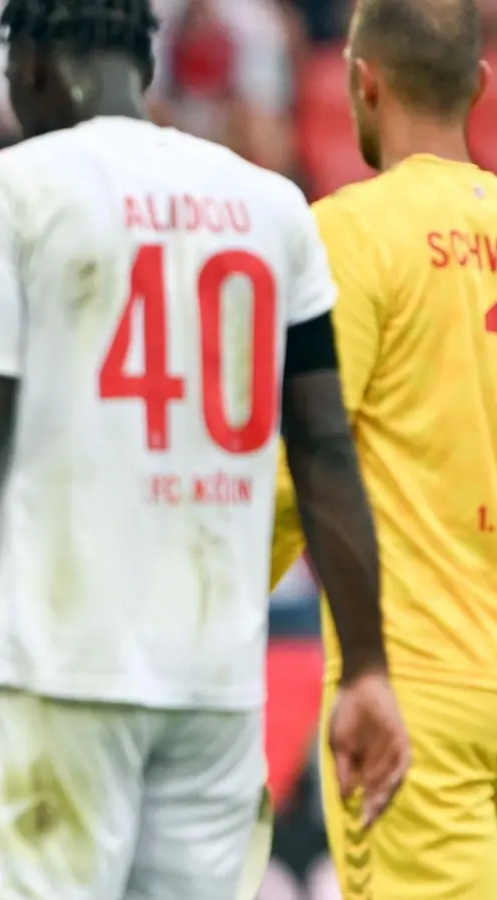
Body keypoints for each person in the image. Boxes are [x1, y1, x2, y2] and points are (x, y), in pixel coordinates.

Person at [0, 0, 414, 896]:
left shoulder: (8, 186)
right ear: (141, 61)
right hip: (220, 686)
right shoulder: (273, 202)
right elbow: (325, 450)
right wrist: (368, 667)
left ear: (31, 62)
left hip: (63, 667)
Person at [264, 0, 497, 895]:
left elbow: (302, 462)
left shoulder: (348, 235)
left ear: (362, 80)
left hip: (415, 699)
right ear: (478, 84)